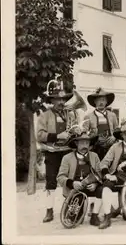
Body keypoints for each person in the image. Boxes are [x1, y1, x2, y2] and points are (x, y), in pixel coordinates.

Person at [37, 78, 77, 223]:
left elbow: (73, 131)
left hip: (67, 151)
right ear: (52, 101)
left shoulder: (70, 114)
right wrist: (57, 136)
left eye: (62, 99)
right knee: (50, 182)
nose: (60, 102)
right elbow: (40, 135)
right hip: (52, 152)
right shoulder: (45, 115)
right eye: (57, 99)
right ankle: (49, 211)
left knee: (69, 180)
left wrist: (75, 131)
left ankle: (69, 209)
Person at [56, 126, 103, 227]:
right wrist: (72, 183)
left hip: (90, 186)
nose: (85, 145)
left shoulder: (94, 156)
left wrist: (95, 184)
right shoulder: (67, 158)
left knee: (102, 189)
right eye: (82, 142)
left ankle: (94, 216)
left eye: (87, 142)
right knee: (75, 218)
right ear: (76, 143)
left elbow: (99, 174)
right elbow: (60, 177)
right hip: (75, 188)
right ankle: (77, 212)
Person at [84, 87, 119, 160]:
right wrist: (91, 135)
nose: (101, 102)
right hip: (96, 147)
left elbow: (117, 129)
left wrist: (114, 137)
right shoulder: (88, 116)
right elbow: (84, 133)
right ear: (95, 102)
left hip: (111, 146)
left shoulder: (112, 115)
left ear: (106, 102)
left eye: (103, 100)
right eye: (98, 100)